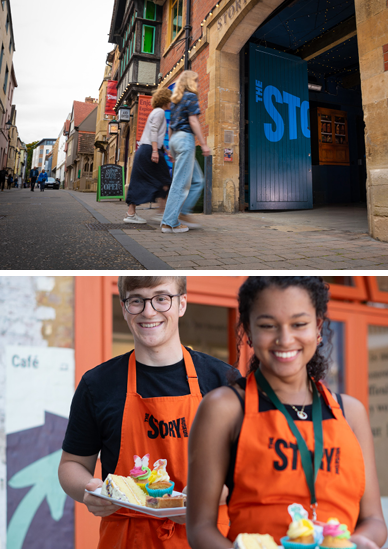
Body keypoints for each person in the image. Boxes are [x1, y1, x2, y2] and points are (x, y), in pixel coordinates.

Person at [186, 276, 387, 549]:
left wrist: (361, 541)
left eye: (299, 324)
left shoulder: (350, 412)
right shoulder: (224, 407)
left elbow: (374, 519)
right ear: (248, 331)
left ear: (317, 327)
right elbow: (200, 528)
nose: (285, 338)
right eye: (268, 326)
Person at [58, 276, 236, 549]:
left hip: (206, 536)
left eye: (162, 298)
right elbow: (72, 465)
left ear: (182, 304)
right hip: (127, 539)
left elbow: (250, 467)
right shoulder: (97, 384)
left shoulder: (223, 379)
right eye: (137, 300)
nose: (148, 311)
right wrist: (89, 490)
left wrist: (212, 495)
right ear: (123, 307)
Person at [161, 71, 210, 234]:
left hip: (175, 139)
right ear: (190, 81)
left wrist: (170, 148)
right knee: (181, 183)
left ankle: (182, 213)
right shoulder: (190, 96)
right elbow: (193, 121)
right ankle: (169, 223)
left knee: (197, 180)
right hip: (185, 139)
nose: (198, 83)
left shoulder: (176, 101)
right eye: (196, 80)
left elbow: (170, 126)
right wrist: (203, 144)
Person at [124, 88, 173, 225]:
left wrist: (164, 150)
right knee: (164, 180)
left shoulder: (156, 112)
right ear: (165, 100)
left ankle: (133, 213)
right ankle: (159, 213)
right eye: (170, 99)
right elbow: (153, 131)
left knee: (148, 180)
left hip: (147, 149)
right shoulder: (160, 112)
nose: (172, 102)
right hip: (149, 150)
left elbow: (155, 134)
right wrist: (155, 151)